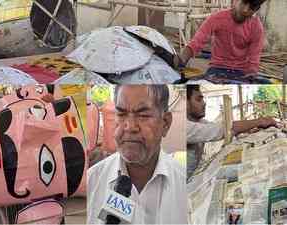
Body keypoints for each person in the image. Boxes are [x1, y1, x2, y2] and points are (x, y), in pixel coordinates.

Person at [87, 85, 187, 224]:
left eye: (143, 115)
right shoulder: (92, 180)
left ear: (165, 123)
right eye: (121, 114)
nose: (130, 126)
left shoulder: (185, 184)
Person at [187, 85, 279, 178]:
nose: (204, 103)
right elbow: (223, 129)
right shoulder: (185, 127)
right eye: (198, 100)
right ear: (186, 104)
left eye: (202, 100)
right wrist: (260, 121)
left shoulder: (201, 122)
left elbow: (223, 128)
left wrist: (249, 130)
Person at [174, 0, 269, 84]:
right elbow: (197, 42)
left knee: (266, 83)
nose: (245, 10)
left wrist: (252, 73)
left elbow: (254, 57)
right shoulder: (217, 18)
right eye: (244, 2)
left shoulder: (256, 26)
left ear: (256, 10)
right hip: (218, 68)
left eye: (252, 8)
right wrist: (182, 58)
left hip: (242, 72)